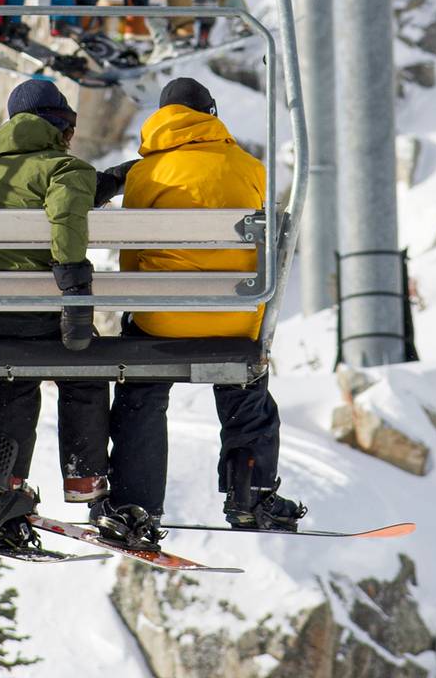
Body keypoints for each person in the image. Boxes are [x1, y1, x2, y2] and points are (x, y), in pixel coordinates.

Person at [103, 77, 306, 531]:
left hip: (161, 321)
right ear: (210, 114)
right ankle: (249, 495)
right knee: (246, 386)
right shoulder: (251, 167)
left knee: (142, 392)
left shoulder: (145, 173)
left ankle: (136, 506)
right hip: (233, 318)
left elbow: (131, 255)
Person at [0, 79, 119, 541]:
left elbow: (42, 190)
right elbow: (65, 213)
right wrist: (75, 287)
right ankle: (84, 478)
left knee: (15, 379)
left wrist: (92, 182)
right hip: (38, 316)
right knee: (84, 372)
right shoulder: (65, 167)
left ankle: (0, 479)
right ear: (62, 125)